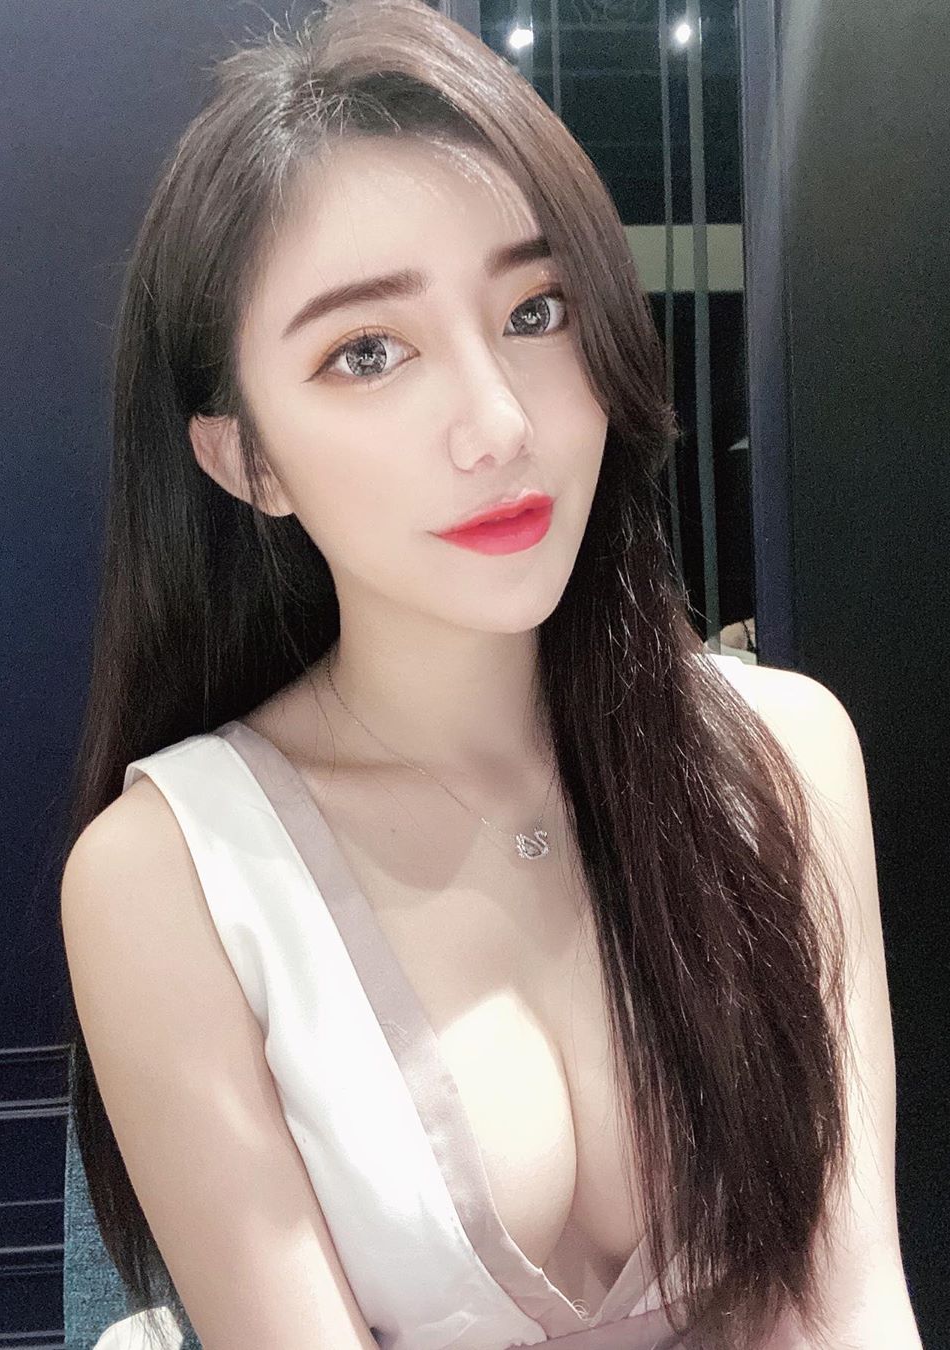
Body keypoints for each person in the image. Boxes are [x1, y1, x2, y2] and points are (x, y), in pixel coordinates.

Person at [57, 2, 920, 1347]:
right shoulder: (170, 878)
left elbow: (852, 1300)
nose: (499, 421)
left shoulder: (785, 756)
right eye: (368, 351)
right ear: (246, 459)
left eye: (535, 310)